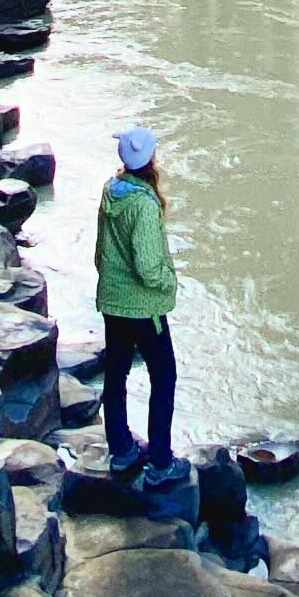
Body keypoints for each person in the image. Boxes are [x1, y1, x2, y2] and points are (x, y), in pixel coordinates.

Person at [95, 124, 185, 484]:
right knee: (164, 377)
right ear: (150, 159)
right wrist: (170, 281)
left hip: (113, 302)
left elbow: (100, 252)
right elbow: (148, 266)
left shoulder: (110, 191)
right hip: (144, 308)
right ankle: (161, 463)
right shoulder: (145, 205)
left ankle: (121, 452)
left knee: (116, 375)